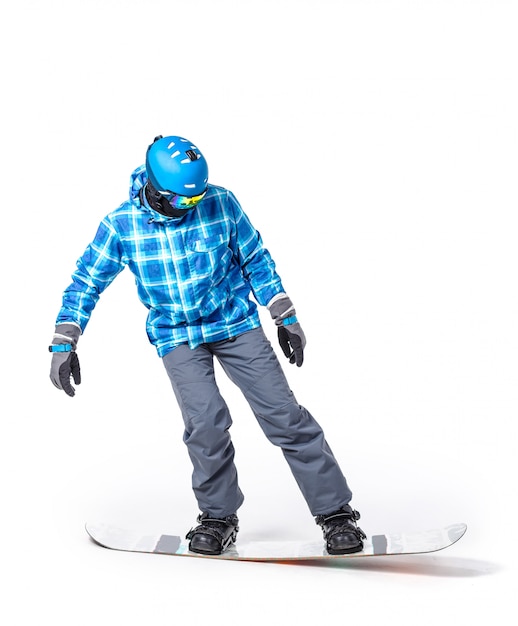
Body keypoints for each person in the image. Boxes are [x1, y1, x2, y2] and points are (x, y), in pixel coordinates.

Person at [49, 135, 366, 556]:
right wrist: (64, 342)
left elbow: (254, 257)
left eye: (197, 197)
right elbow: (87, 280)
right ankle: (218, 517)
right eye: (182, 200)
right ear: (155, 189)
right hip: (177, 335)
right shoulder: (120, 225)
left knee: (284, 415)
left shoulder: (222, 202)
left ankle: (336, 513)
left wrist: (284, 315)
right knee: (206, 424)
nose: (192, 205)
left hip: (233, 321)